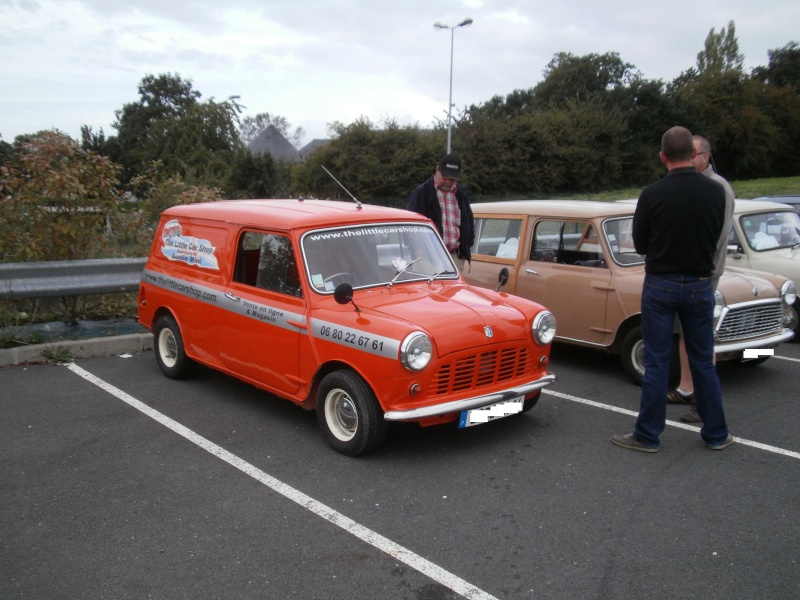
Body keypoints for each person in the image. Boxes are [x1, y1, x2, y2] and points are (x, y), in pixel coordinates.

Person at [611, 126, 734, 452]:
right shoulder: (716, 192)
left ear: (663, 157)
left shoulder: (652, 194)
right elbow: (717, 237)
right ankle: (717, 433)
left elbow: (640, 243)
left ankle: (647, 435)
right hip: (699, 283)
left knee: (657, 361)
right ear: (693, 155)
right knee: (703, 361)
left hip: (661, 283)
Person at [668, 136, 736, 425]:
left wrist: (697, 267)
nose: (688, 157)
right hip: (691, 272)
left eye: (693, 153)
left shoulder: (717, 188)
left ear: (704, 157)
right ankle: (686, 387)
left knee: (700, 338)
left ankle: (702, 402)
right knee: (686, 333)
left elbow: (716, 237)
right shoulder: (694, 186)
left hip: (703, 273)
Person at [407, 153, 474, 270]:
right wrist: (417, 251)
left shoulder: (461, 193)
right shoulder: (422, 192)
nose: (448, 181)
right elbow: (408, 224)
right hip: (427, 258)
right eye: (445, 177)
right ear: (437, 170)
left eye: (452, 178)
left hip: (455, 257)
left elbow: (468, 221)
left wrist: (466, 247)